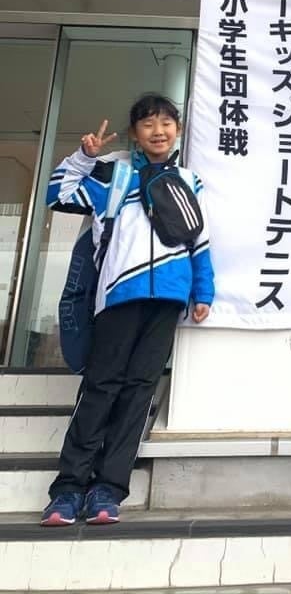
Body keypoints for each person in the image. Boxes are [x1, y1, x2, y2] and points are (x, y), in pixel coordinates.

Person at [41, 94, 214, 526]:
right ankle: (67, 490)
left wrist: (203, 292)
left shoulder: (190, 181)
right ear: (135, 134)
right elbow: (56, 195)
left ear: (177, 130)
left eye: (166, 123)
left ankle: (108, 489)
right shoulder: (113, 176)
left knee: (139, 392)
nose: (159, 131)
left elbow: (200, 241)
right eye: (148, 124)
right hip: (118, 295)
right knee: (101, 387)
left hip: (168, 299)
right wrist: (84, 158)